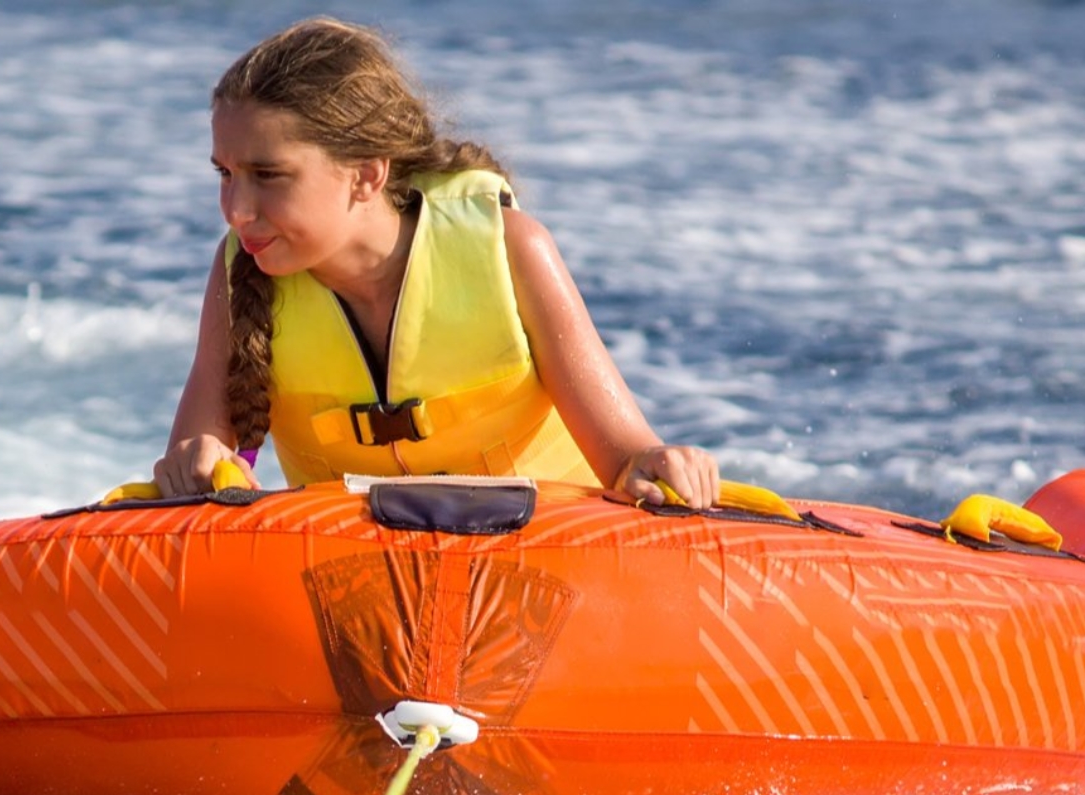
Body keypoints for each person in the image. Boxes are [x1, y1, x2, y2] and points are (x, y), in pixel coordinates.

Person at [152, 17, 719, 508]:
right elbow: (197, 480)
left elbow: (628, 459)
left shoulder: (510, 251)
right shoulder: (242, 277)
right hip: (360, 591)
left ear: (367, 174)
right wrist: (196, 463)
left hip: (549, 579)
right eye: (224, 175)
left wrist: (662, 466)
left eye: (267, 175)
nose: (235, 211)